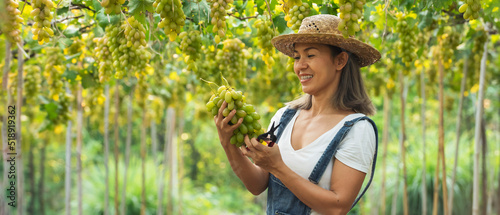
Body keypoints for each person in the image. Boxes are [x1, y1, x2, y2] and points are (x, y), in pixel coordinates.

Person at [214, 14, 381, 215]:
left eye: (310, 55)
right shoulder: (283, 117)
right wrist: (227, 142)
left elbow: (337, 207)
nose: (300, 66)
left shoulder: (357, 129)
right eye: (296, 57)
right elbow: (257, 185)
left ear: (340, 61)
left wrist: (278, 167)